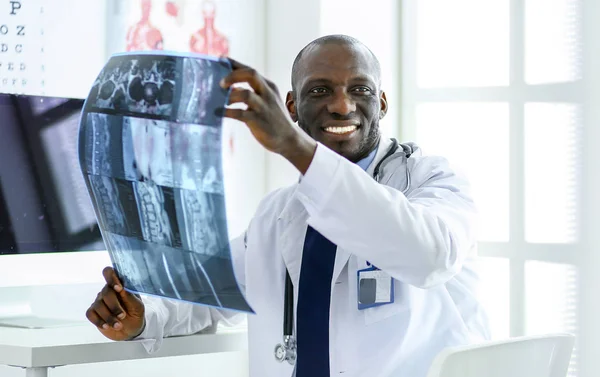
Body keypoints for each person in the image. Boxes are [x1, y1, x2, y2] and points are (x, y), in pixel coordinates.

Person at [86, 35, 490, 377]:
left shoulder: (432, 182)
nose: (342, 106)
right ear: (292, 107)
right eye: (320, 90)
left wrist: (297, 148)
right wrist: (140, 313)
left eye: (360, 90)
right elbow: (207, 293)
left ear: (382, 103)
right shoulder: (278, 216)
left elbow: (429, 255)